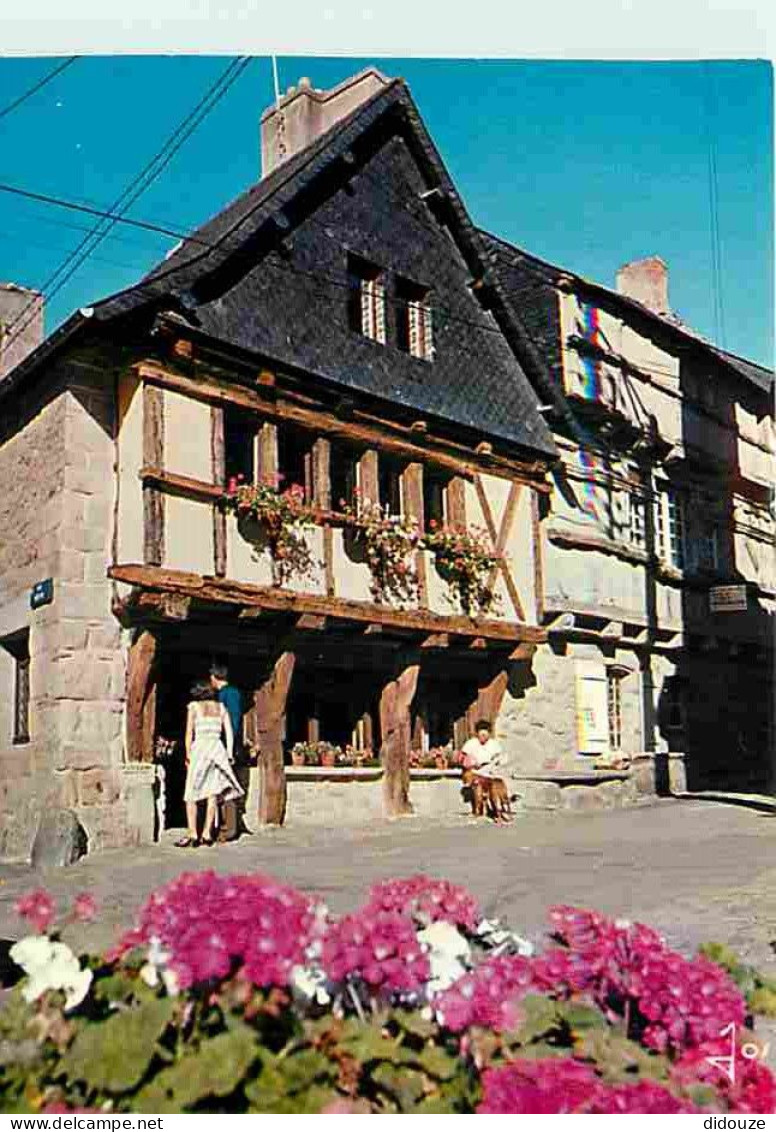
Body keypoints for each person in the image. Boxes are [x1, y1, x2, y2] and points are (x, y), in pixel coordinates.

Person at [176, 680, 243, 848]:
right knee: (212, 792)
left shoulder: (193, 707)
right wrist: (228, 754)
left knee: (191, 792)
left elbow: (188, 734)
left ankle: (192, 833)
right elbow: (229, 733)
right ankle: (206, 833)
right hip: (216, 750)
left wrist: (188, 754)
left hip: (200, 749)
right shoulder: (221, 708)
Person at [210, 661, 244, 843]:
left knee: (227, 787)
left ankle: (230, 829)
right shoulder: (228, 694)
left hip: (226, 747)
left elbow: (232, 722)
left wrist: (226, 748)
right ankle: (224, 826)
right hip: (224, 746)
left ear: (215, 677)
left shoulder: (228, 695)